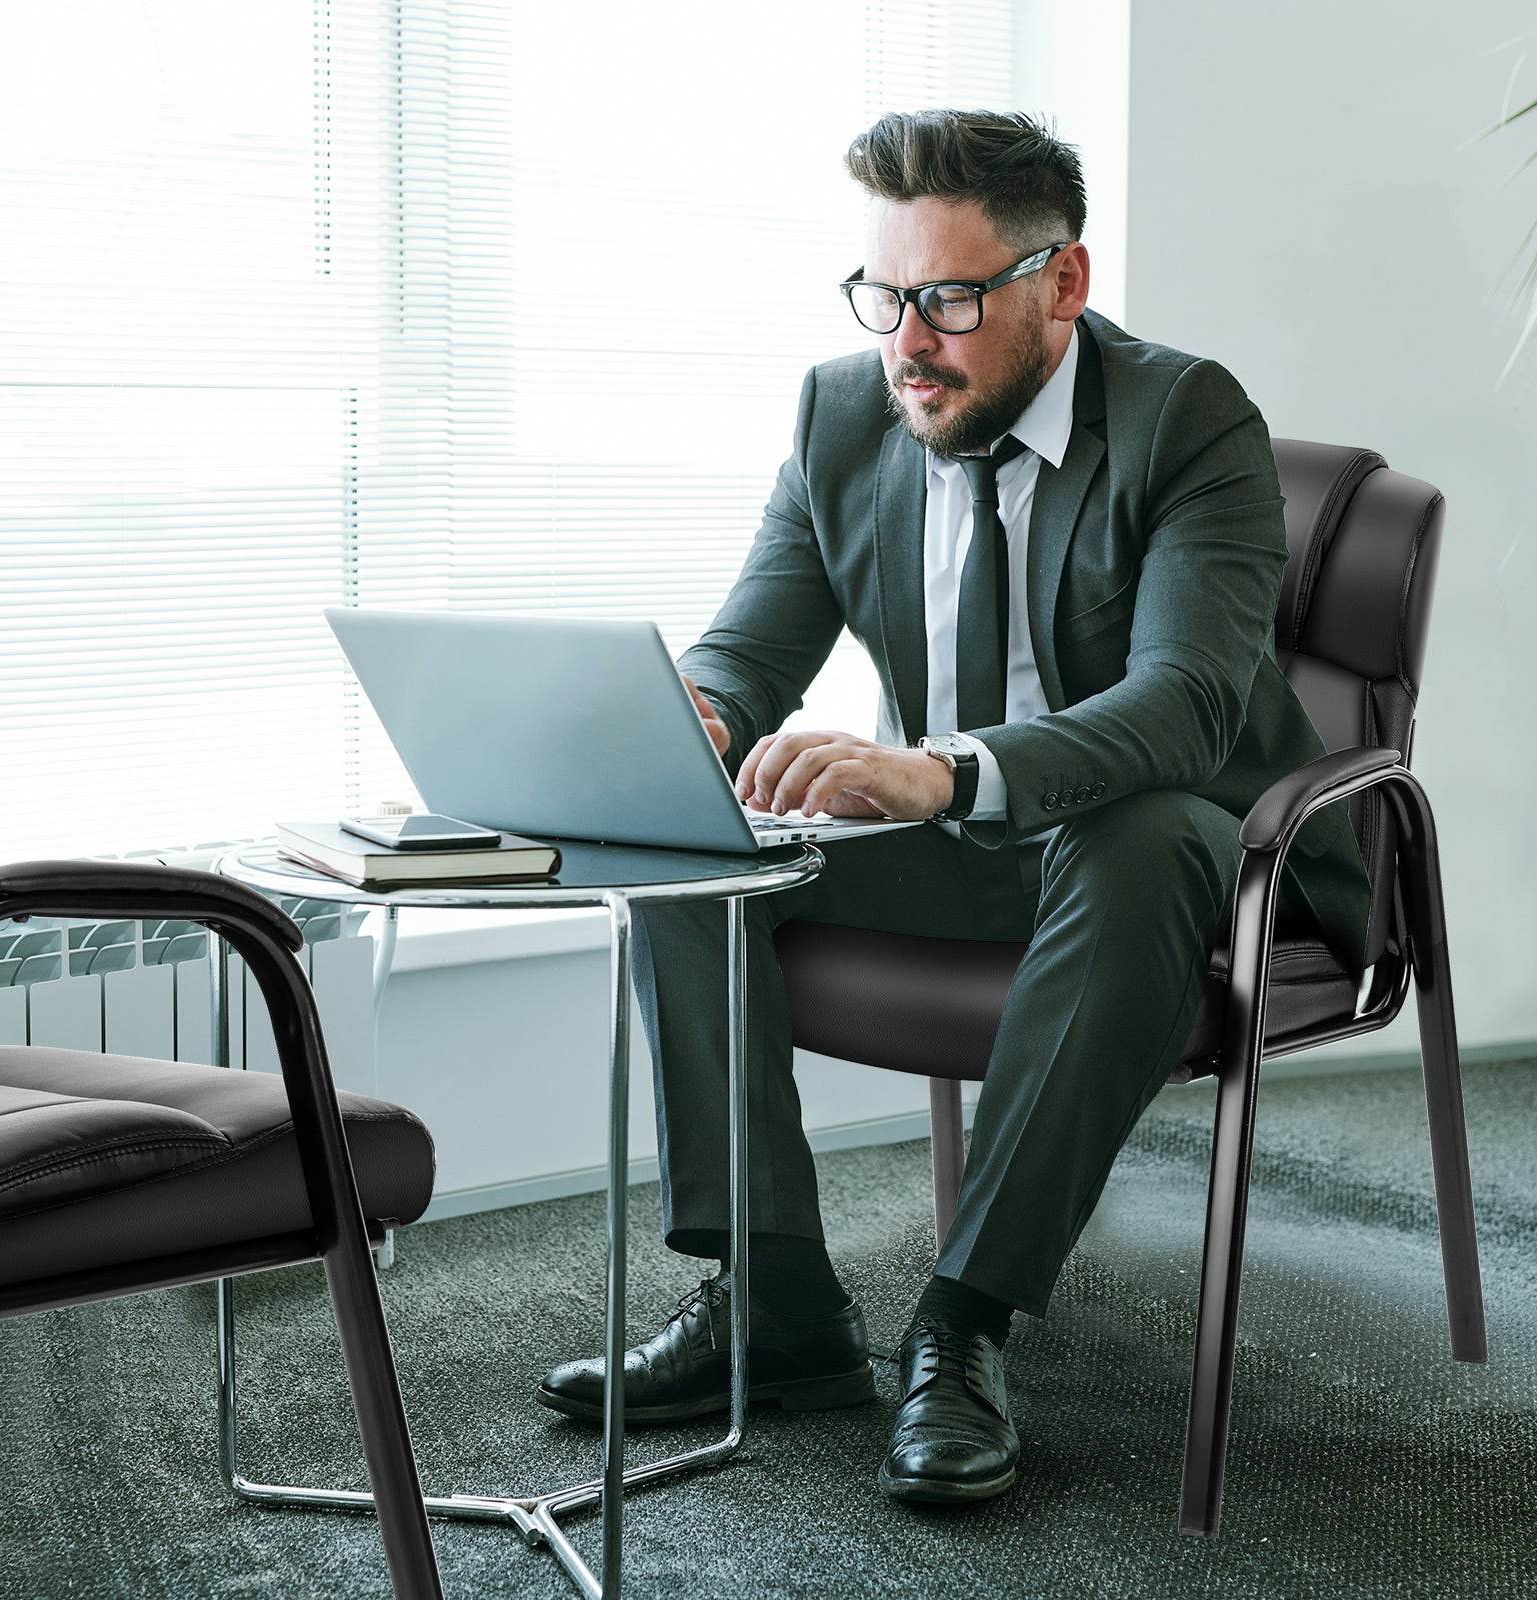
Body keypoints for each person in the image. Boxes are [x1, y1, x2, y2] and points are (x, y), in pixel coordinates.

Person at [537, 108, 1373, 1505]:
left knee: (1140, 831)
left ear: (1064, 284)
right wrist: (696, 718)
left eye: (951, 299)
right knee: (680, 840)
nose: (908, 340)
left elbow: (1188, 707)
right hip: (966, 847)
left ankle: (964, 1323)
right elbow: (752, 646)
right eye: (885, 294)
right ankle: (778, 1303)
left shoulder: (1188, 420)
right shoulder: (845, 411)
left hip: (1195, 858)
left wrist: (948, 766)